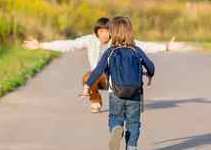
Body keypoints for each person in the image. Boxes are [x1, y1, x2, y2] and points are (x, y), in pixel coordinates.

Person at [23, 16, 179, 113]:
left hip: (118, 78)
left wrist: (165, 47)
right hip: (99, 77)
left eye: (107, 31)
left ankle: (134, 100)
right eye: (101, 31)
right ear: (96, 32)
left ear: (112, 31)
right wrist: (41, 45)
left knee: (130, 82)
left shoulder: (119, 41)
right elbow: (68, 44)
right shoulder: (89, 41)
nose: (104, 34)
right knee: (88, 77)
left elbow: (142, 46)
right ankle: (96, 102)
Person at [82, 16, 155, 150]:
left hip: (115, 93)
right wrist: (149, 75)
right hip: (135, 94)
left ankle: (116, 129)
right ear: (130, 32)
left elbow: (97, 70)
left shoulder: (110, 51)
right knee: (133, 123)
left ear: (112, 33)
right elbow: (151, 66)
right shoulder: (136, 50)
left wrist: (87, 86)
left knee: (115, 117)